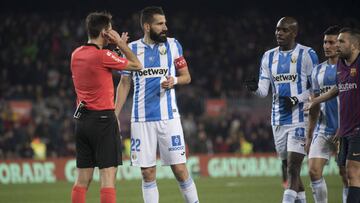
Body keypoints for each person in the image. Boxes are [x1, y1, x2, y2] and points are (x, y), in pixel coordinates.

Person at [115, 6, 199, 203]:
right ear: (147, 26)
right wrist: (114, 113)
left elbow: (186, 76)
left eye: (165, 23)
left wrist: (175, 81)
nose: (165, 27)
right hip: (141, 119)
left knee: (179, 169)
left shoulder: (173, 45)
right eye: (160, 24)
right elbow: (124, 83)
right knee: (147, 173)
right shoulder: (132, 49)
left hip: (169, 118)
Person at [70, 11, 142, 203]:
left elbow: (99, 69)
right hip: (103, 121)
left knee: (82, 179)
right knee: (108, 178)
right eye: (110, 30)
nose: (112, 32)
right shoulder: (103, 55)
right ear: (104, 32)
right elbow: (137, 65)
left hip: (82, 122)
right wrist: (120, 44)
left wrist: (114, 50)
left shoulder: (76, 54)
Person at [244, 17, 318, 203]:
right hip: (277, 120)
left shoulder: (307, 54)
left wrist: (297, 98)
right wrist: (253, 88)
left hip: (300, 119)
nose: (279, 33)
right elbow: (263, 91)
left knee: (293, 169)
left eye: (284, 30)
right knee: (288, 168)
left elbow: (316, 88)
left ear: (294, 33)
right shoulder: (268, 56)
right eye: (277, 29)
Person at [305, 27, 360, 203]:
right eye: (325, 42)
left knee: (348, 175)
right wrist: (309, 132)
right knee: (314, 171)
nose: (328, 46)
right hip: (326, 129)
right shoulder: (319, 71)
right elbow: (324, 98)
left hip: (349, 129)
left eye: (333, 42)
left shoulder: (350, 65)